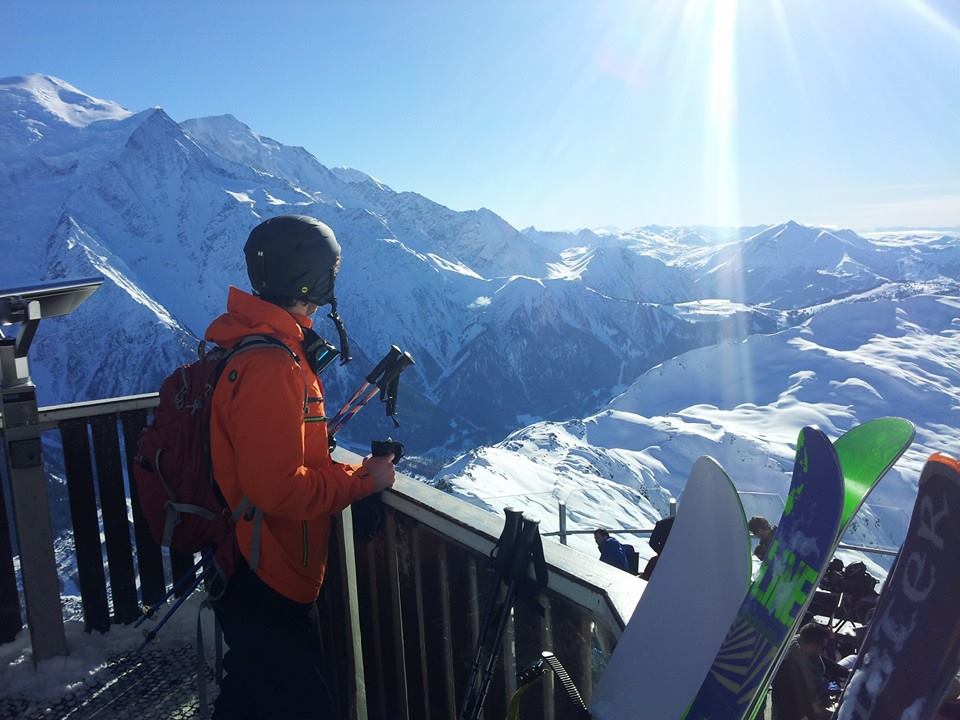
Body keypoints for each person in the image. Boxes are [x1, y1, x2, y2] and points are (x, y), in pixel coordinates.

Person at [206, 215, 396, 719]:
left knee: (248, 695)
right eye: (330, 272)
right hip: (269, 570)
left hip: (256, 562)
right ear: (309, 278)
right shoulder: (271, 364)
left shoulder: (272, 348)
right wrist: (364, 479)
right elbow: (279, 491)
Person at [771, 622, 836, 720]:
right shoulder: (787, 665)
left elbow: (831, 666)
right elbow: (790, 704)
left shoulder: (810, 657)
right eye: (823, 647)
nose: (823, 651)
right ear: (812, 645)